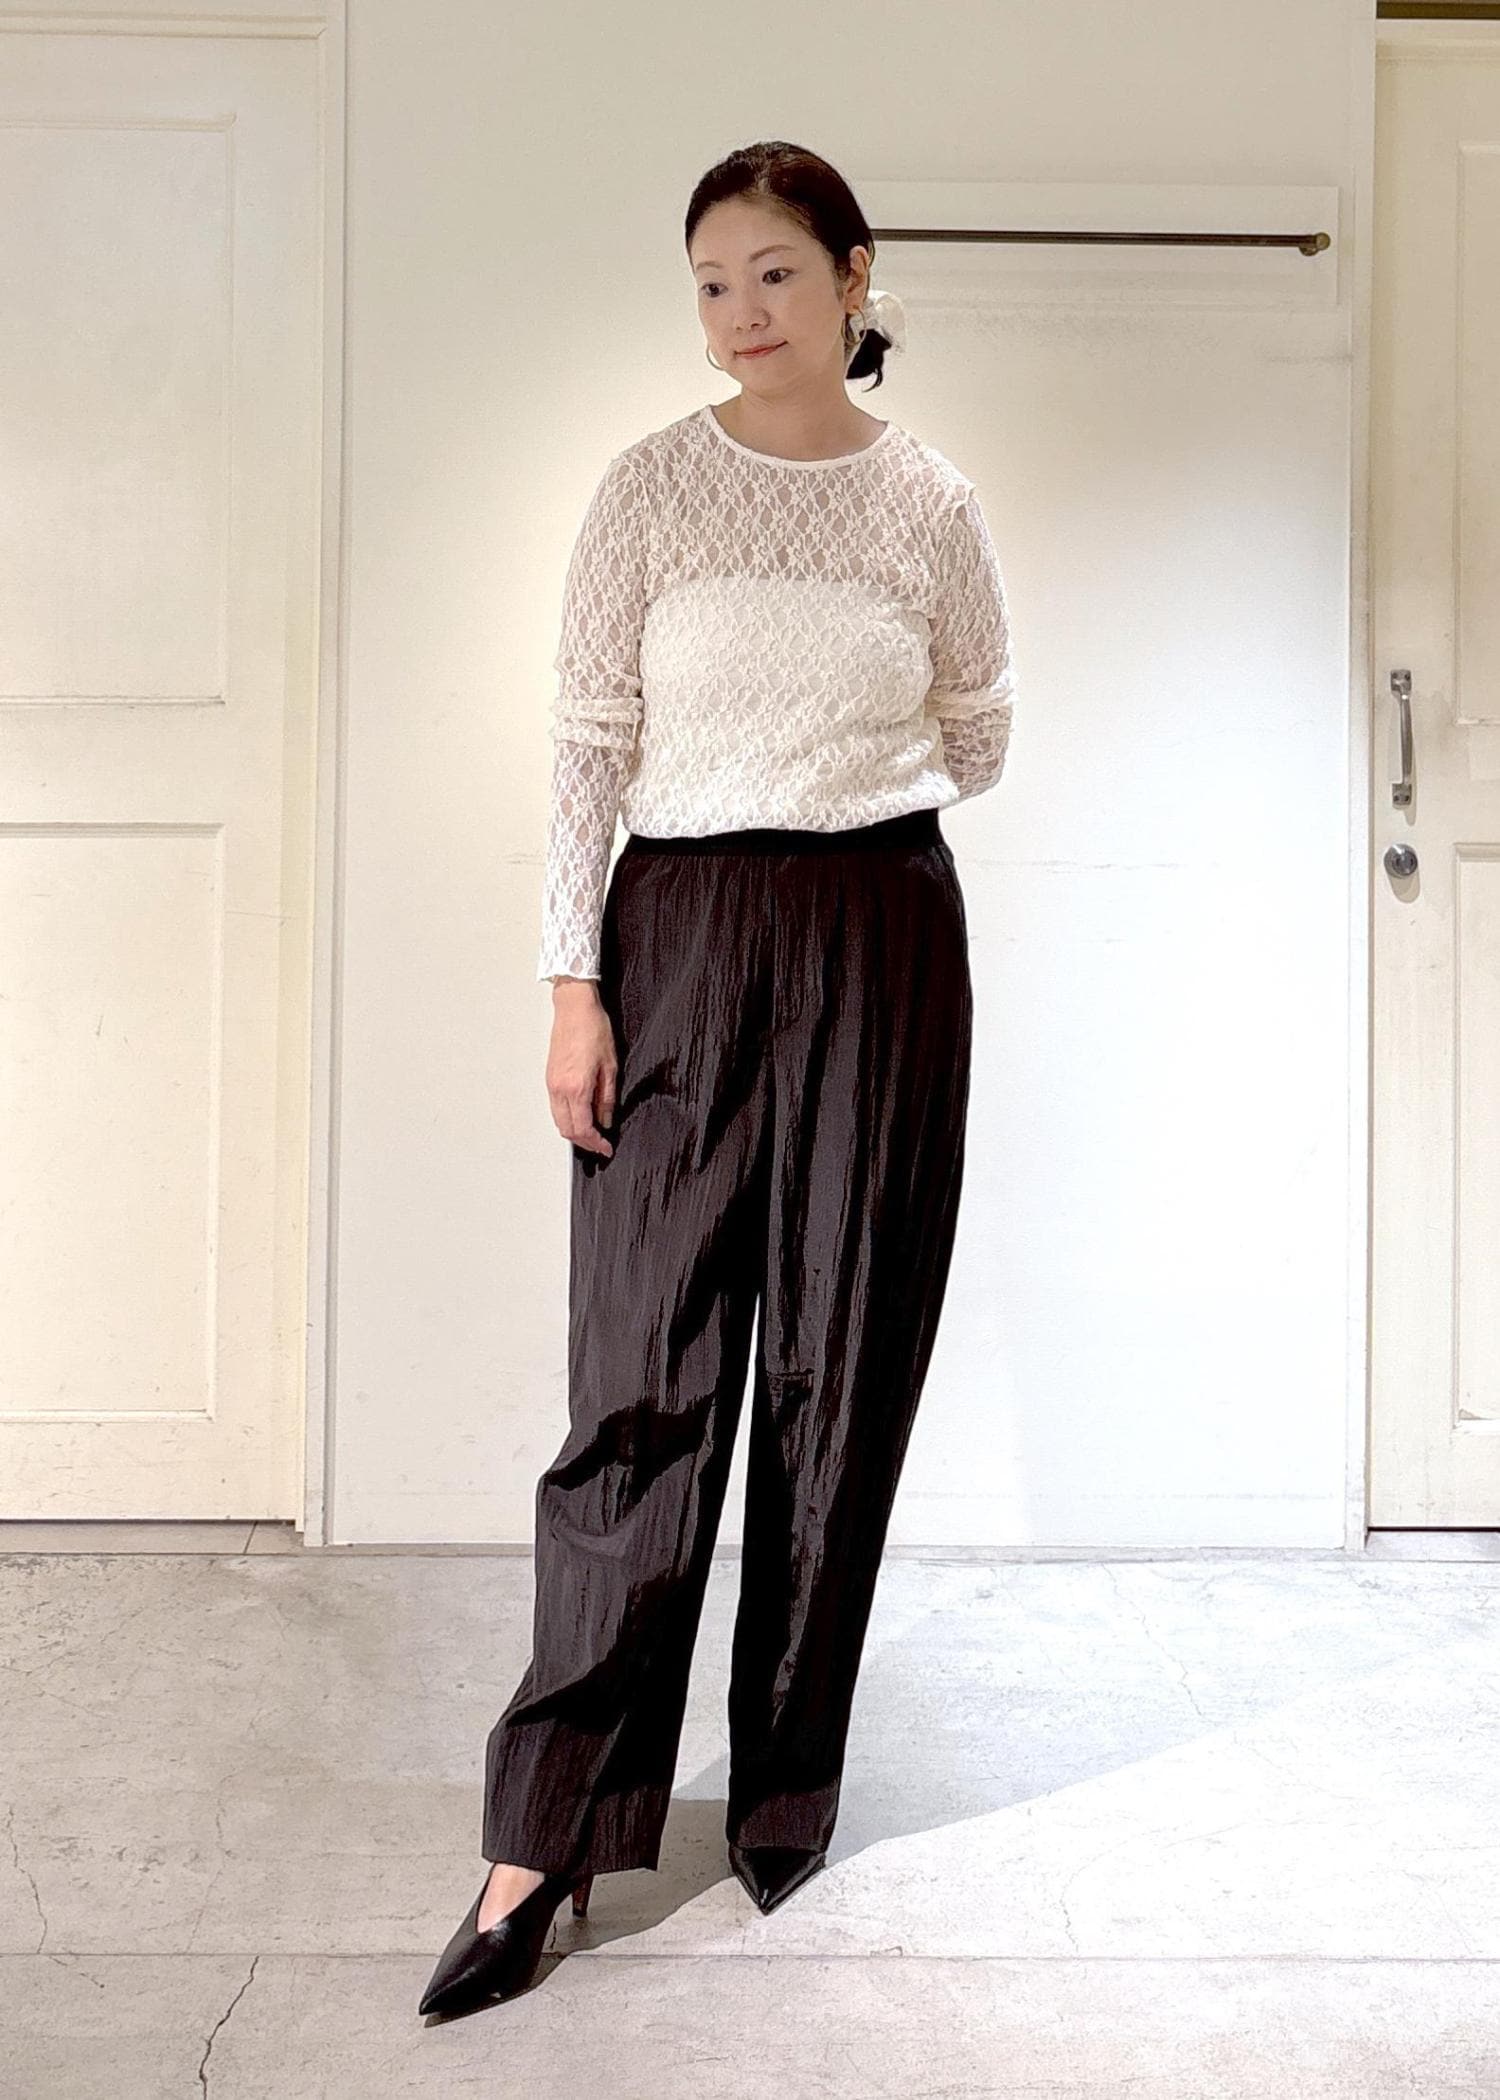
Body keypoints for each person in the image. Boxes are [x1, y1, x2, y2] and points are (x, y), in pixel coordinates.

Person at [419, 137, 1016, 2021]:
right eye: (711, 282)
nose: (742, 312)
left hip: (880, 933)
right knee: (641, 1384)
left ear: (853, 279)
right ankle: (543, 1838)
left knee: (843, 1364)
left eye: (775, 273)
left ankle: (782, 1797)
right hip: (673, 929)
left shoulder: (931, 502)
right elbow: (589, 745)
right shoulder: (648, 491)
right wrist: (572, 983)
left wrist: (837, 786)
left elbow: (983, 731)